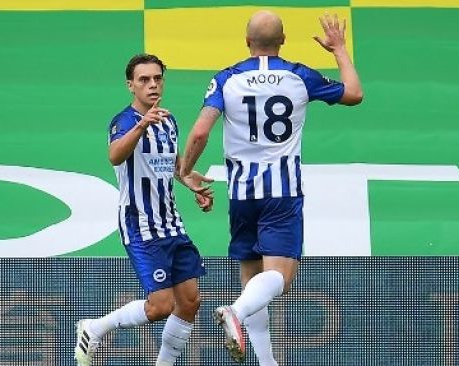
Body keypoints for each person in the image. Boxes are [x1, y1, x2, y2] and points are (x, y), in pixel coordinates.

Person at [177, 9, 363, 365]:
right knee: (280, 276)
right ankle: (235, 312)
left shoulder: (226, 79)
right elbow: (354, 93)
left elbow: (200, 132)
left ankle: (266, 361)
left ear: (247, 42)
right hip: (281, 191)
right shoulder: (299, 76)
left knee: (253, 279)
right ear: (283, 41)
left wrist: (186, 171)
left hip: (242, 193)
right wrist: (338, 48)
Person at [74, 54, 214, 366]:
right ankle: (94, 328)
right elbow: (114, 155)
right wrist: (141, 125)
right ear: (131, 86)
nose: (152, 85)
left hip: (172, 224)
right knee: (160, 306)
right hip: (140, 225)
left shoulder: (169, 120)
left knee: (190, 302)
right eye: (144, 80)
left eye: (157, 79)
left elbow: (173, 164)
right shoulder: (123, 121)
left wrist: (189, 180)